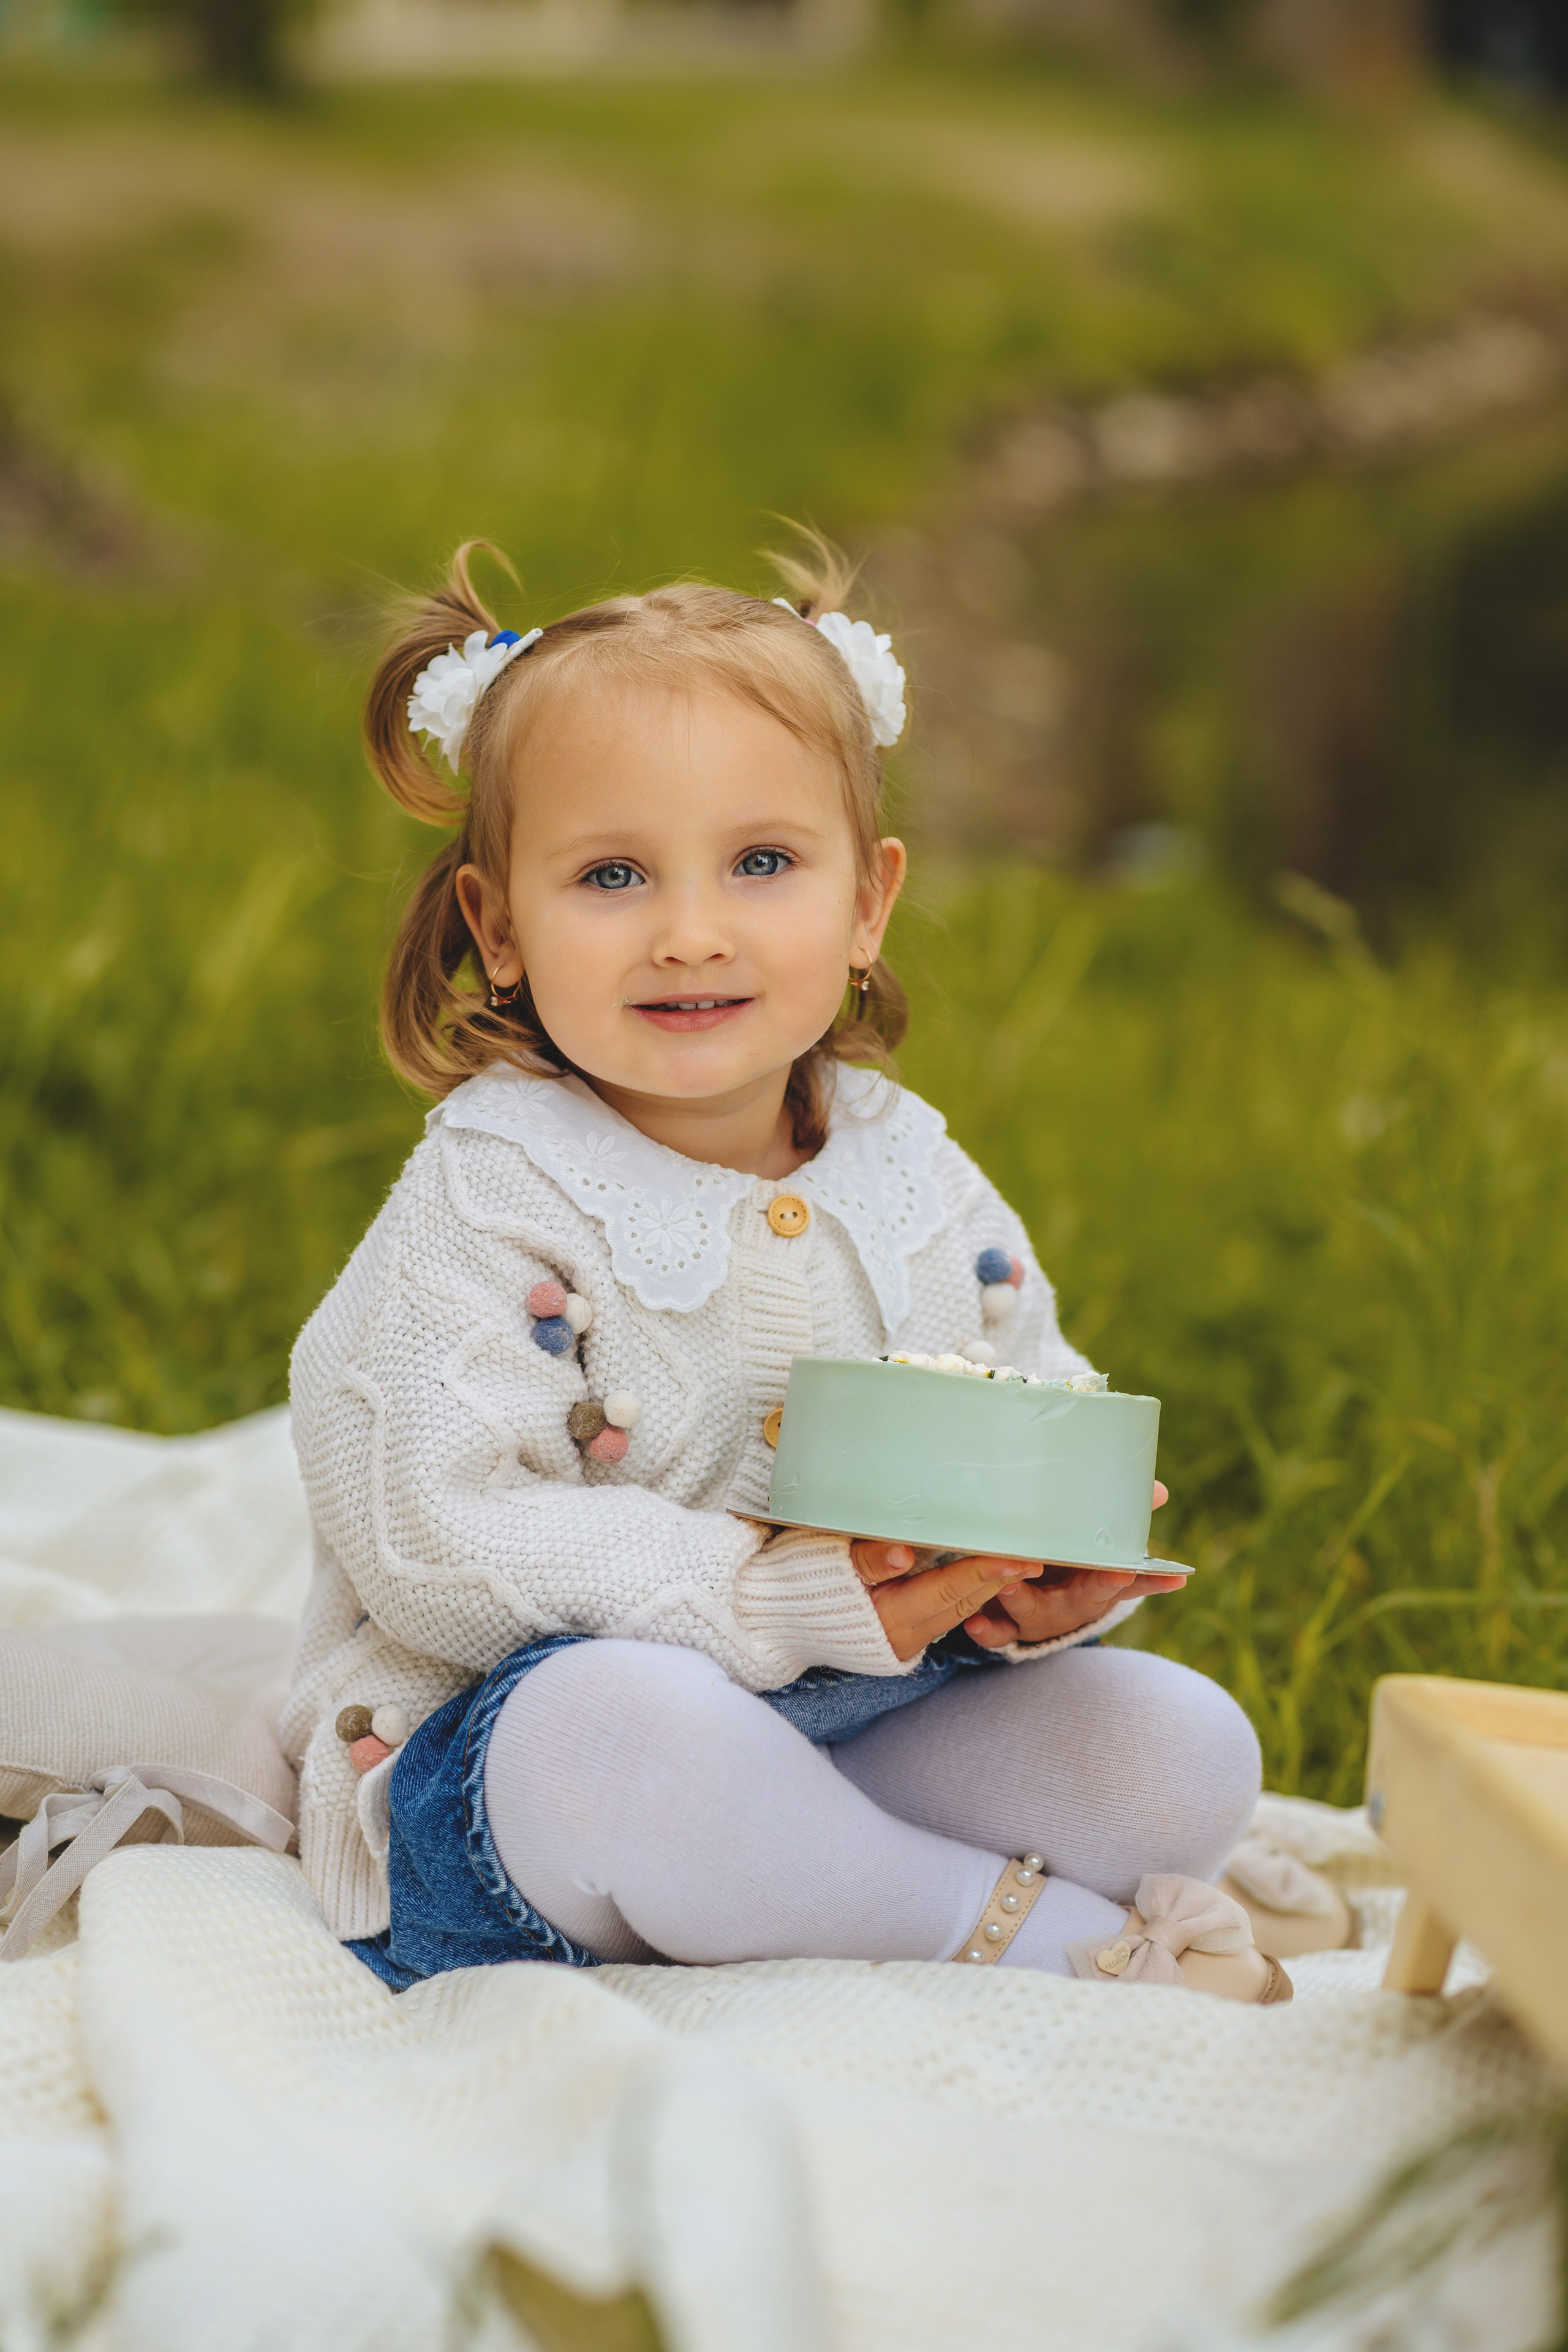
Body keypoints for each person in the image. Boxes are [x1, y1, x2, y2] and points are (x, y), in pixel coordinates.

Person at [282, 534, 1283, 2001]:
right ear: (498, 928)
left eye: (761, 863)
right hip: (523, 1775)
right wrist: (762, 1599)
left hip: (868, 1716)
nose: (692, 933)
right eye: (613, 875)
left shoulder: (906, 1165)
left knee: (1181, 1749)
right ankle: (1025, 1935)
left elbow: (1027, 1381)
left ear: (867, 903)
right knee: (626, 1729)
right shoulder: (496, 1189)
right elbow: (434, 1531)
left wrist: (1046, 1575)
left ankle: (818, 1876)